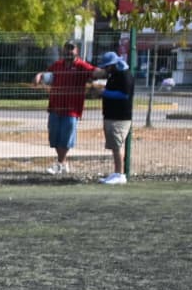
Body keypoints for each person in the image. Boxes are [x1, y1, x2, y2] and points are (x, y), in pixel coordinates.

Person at [37, 41, 103, 176]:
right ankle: (63, 163)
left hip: (72, 109)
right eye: (67, 48)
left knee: (66, 138)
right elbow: (47, 74)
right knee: (54, 137)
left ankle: (60, 163)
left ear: (76, 51)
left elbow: (94, 72)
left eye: (71, 49)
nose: (69, 51)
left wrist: (104, 71)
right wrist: (39, 75)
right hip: (55, 107)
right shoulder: (58, 65)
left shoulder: (81, 66)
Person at [95, 50, 134, 184]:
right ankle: (117, 172)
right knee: (114, 145)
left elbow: (124, 95)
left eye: (107, 66)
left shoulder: (125, 75)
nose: (105, 69)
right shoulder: (114, 75)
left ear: (113, 64)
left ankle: (120, 174)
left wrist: (104, 92)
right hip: (111, 115)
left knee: (117, 146)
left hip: (120, 117)